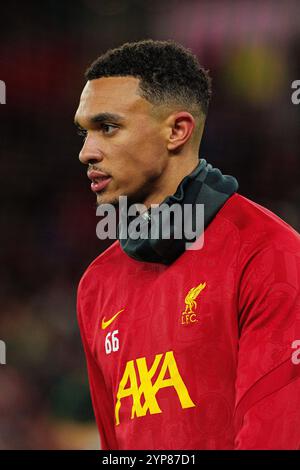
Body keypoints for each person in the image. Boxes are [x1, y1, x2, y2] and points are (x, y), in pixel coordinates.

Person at [74, 40, 300, 450]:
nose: (86, 152)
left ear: (177, 130)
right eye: (84, 131)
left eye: (107, 127)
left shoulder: (271, 256)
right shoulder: (97, 285)